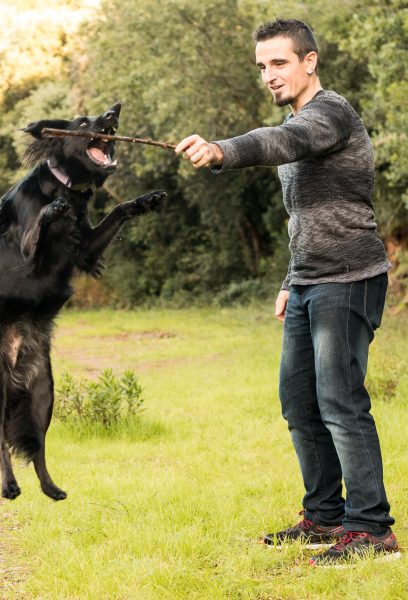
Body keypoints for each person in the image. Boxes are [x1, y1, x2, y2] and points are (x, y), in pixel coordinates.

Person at [175, 18, 400, 566]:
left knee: (340, 403)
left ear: (309, 61)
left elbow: (283, 141)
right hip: (308, 279)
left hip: (348, 278)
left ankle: (372, 531)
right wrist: (288, 280)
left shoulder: (328, 115)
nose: (269, 75)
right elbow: (303, 218)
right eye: (261, 67)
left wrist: (224, 149)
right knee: (298, 404)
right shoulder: (298, 120)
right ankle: (324, 518)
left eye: (278, 63)